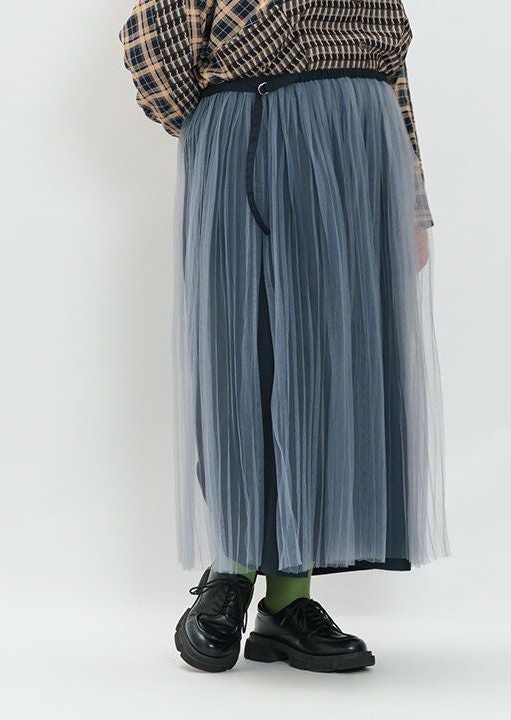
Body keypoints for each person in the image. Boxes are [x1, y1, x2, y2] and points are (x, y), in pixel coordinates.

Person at [119, 0, 450, 673]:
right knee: (247, 352)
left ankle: (287, 602)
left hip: (360, 147)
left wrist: (411, 199)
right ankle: (231, 570)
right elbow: (151, 40)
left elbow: (394, 69)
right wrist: (228, 116)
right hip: (256, 129)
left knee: (330, 367)